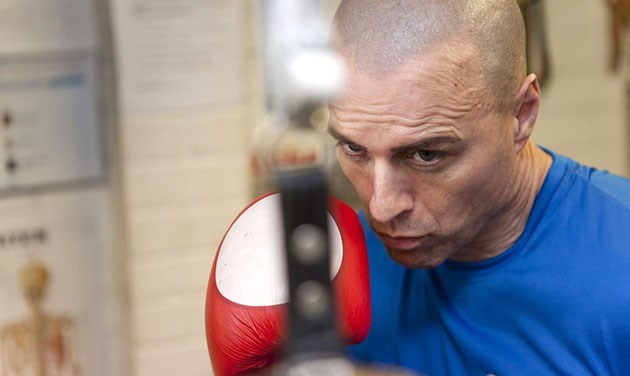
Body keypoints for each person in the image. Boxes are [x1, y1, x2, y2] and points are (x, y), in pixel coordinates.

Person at [328, 0, 630, 374]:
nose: (381, 207)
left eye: (426, 154)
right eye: (354, 148)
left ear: (522, 115)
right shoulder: (336, 262)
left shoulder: (620, 265)